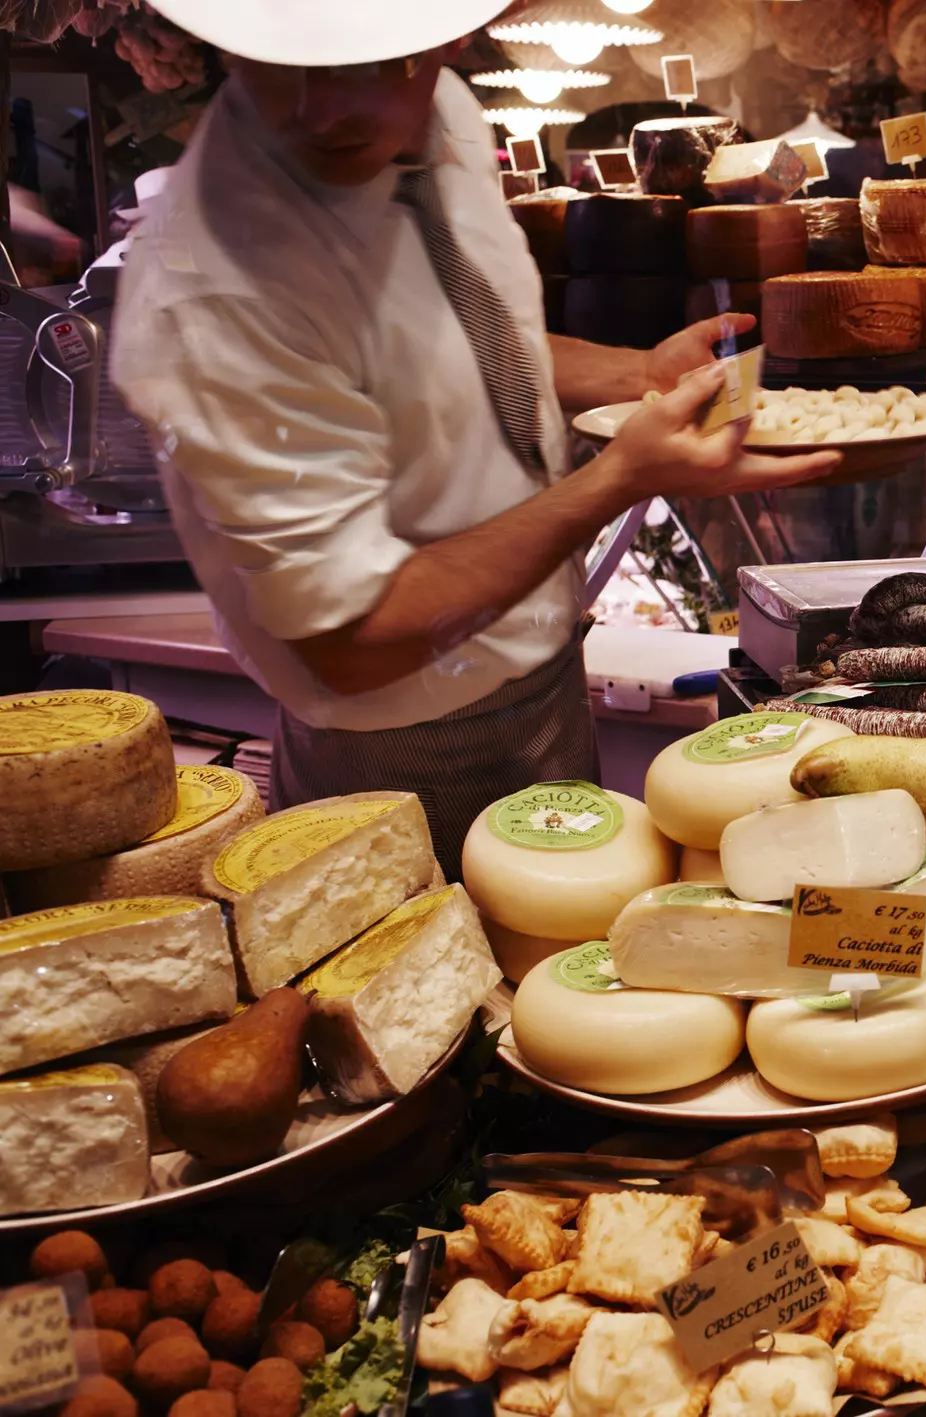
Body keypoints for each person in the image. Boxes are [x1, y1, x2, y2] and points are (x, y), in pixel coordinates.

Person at [113, 0, 839, 876]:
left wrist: (635, 373)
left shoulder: (443, 110)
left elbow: (462, 334)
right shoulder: (218, 288)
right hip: (400, 737)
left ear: (443, 40)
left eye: (365, 65)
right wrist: (617, 478)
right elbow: (349, 639)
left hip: (544, 676)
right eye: (280, 65)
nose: (320, 108)